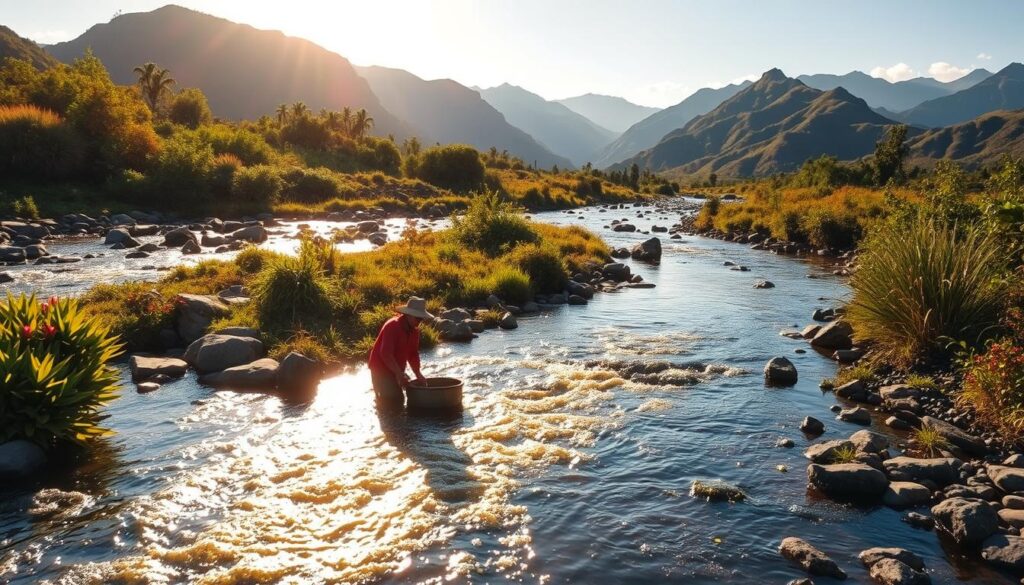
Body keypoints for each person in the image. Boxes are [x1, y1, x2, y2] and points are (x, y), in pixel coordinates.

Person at [369, 296, 432, 404]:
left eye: (421, 319)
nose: (419, 321)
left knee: (399, 399)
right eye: (418, 318)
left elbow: (412, 354)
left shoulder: (414, 331)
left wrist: (418, 374)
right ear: (408, 315)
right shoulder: (392, 326)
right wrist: (399, 374)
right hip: (380, 369)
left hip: (396, 368)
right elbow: (385, 354)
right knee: (390, 401)